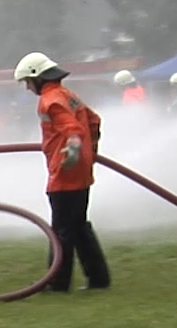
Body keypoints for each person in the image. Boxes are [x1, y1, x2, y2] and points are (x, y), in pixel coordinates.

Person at [13, 51, 111, 292]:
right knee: (78, 226)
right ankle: (98, 278)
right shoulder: (69, 95)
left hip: (65, 170)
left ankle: (57, 282)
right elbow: (94, 121)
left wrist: (74, 148)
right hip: (81, 170)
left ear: (37, 77)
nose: (27, 88)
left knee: (61, 231)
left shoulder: (50, 100)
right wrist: (90, 152)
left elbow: (72, 128)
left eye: (28, 82)